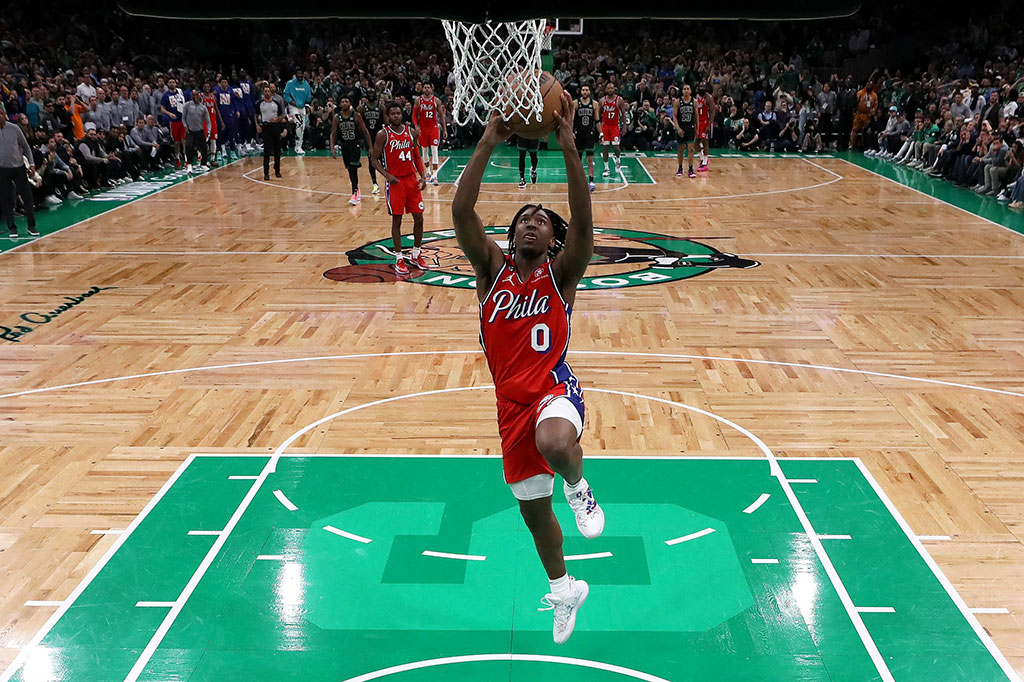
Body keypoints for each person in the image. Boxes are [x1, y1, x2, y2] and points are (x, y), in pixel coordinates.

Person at [451, 92, 603, 646]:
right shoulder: (490, 272)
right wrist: (489, 139)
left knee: (557, 444)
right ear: (512, 235)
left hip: (552, 392)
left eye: (542, 221)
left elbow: (584, 223)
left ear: (554, 240)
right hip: (508, 408)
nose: (532, 224)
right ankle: (565, 590)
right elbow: (462, 213)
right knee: (537, 522)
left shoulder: (562, 277)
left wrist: (570, 151)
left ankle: (581, 486)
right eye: (524, 219)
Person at [370, 102, 432, 275]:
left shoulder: (410, 132)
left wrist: (423, 176)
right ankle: (398, 258)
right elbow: (374, 160)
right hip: (395, 183)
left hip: (412, 180)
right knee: (397, 220)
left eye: (398, 113)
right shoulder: (383, 134)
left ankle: (416, 254)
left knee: (419, 218)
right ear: (388, 116)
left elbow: (417, 155)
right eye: (393, 113)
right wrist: (387, 175)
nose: (396, 116)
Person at [0, 107, 40, 240]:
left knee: (27, 197)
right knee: (6, 200)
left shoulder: (15, 129)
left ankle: (32, 225)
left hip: (18, 167)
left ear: (4, 115)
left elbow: (26, 147)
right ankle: (12, 227)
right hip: (2, 169)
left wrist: (32, 164)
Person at [330, 95, 373, 205]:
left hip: (355, 144)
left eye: (346, 101)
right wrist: (332, 147)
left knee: (354, 168)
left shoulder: (356, 116)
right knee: (349, 169)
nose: (344, 103)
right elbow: (333, 133)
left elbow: (365, 131)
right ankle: (356, 189)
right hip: (344, 146)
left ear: (350, 104)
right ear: (340, 104)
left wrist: (370, 147)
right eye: (342, 101)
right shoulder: (337, 117)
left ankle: (354, 191)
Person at [412, 83, 445, 184]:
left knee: (434, 150)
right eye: (425, 87)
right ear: (422, 89)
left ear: (432, 89)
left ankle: (435, 175)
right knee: (424, 151)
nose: (426, 89)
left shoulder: (436, 100)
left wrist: (445, 129)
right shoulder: (418, 100)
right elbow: (413, 115)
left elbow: (442, 115)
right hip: (423, 129)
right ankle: (428, 173)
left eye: (428, 87)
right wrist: (416, 126)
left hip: (433, 128)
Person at [256, 86, 285, 181]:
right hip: (265, 127)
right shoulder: (260, 103)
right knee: (267, 151)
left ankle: (277, 170)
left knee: (277, 150)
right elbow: (256, 115)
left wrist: (276, 119)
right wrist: (257, 125)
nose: (267, 92)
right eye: (265, 91)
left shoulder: (276, 103)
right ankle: (266, 173)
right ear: (263, 92)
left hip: (275, 127)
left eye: (268, 91)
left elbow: (282, 116)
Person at [357, 90, 384, 194]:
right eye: (370, 93)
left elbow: (386, 122)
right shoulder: (362, 108)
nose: (371, 94)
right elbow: (359, 125)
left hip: (380, 136)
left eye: (373, 93)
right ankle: (375, 184)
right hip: (369, 138)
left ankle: (388, 180)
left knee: (384, 159)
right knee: (372, 160)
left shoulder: (381, 107)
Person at [573, 84, 598, 192]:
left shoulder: (594, 104)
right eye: (583, 90)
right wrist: (570, 131)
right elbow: (572, 120)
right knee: (577, 160)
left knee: (590, 159)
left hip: (590, 134)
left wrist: (601, 133)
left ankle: (591, 181)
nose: (584, 91)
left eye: (586, 90)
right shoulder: (575, 103)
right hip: (578, 134)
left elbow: (597, 121)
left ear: (589, 92)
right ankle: (578, 182)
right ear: (580, 91)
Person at [599, 83, 626, 176]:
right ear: (606, 89)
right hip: (605, 126)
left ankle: (618, 160)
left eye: (611, 88)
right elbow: (598, 114)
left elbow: (623, 113)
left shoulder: (619, 100)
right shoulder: (602, 100)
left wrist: (624, 125)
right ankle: (606, 168)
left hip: (615, 126)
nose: (610, 89)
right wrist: (599, 127)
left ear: (614, 89)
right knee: (605, 147)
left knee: (616, 147)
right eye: (608, 88)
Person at [182, 89, 211, 174]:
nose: (195, 96)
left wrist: (208, 130)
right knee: (188, 146)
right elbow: (183, 118)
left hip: (199, 130)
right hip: (190, 130)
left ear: (199, 96)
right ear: (191, 96)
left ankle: (203, 164)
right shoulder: (187, 105)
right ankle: (189, 165)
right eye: (193, 95)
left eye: (196, 95)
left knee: (204, 148)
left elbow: (208, 120)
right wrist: (185, 126)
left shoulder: (203, 107)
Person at [159, 78, 187, 167]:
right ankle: (177, 158)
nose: (172, 84)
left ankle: (186, 158)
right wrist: (169, 113)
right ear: (167, 84)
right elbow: (162, 108)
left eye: (173, 82)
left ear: (176, 83)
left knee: (184, 140)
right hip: (173, 121)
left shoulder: (180, 92)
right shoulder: (166, 95)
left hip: (182, 120)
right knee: (176, 142)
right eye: (170, 82)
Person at [284, 69, 312, 154]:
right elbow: (286, 94)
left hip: (302, 106)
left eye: (301, 73)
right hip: (293, 106)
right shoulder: (290, 83)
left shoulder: (306, 84)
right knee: (298, 123)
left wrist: (307, 105)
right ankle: (297, 146)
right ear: (295, 74)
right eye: (298, 73)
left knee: (302, 126)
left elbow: (308, 96)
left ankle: (299, 144)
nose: (300, 75)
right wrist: (291, 101)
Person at [673, 83, 697, 177]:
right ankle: (680, 168)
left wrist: (697, 127)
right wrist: (678, 128)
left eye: (688, 88)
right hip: (681, 127)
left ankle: (691, 169)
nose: (686, 90)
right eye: (684, 89)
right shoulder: (677, 102)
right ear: (682, 91)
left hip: (690, 127)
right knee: (681, 149)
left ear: (690, 91)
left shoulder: (694, 101)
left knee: (691, 149)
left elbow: (696, 116)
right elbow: (674, 116)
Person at [694, 83, 715, 171]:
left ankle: (705, 164)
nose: (702, 88)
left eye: (703, 87)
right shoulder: (696, 96)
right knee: (696, 144)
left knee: (705, 142)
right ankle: (703, 159)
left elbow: (713, 111)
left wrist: (709, 124)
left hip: (705, 122)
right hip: (697, 122)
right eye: (700, 87)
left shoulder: (708, 98)